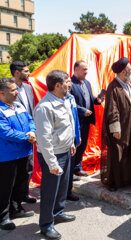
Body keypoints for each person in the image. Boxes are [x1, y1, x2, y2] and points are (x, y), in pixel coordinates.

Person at [34, 70, 76, 239]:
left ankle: (58, 212)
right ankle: (46, 224)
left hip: (65, 151)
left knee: (62, 188)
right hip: (53, 156)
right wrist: (52, 163)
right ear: (57, 85)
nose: (70, 84)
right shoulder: (44, 107)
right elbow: (43, 140)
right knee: (50, 191)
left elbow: (67, 125)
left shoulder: (63, 100)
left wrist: (71, 143)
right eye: (67, 82)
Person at [0, 78, 36, 231]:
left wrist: (32, 131)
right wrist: (27, 136)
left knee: (21, 182)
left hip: (25, 152)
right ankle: (3, 217)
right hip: (8, 156)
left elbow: (30, 119)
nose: (17, 92)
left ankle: (16, 208)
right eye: (13, 90)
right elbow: (5, 132)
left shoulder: (19, 105)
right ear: (2, 93)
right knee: (5, 187)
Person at [101, 57, 131, 191]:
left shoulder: (127, 84)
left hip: (129, 126)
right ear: (123, 72)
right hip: (120, 128)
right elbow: (112, 110)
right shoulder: (114, 87)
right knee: (118, 155)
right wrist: (115, 129)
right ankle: (114, 182)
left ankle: (128, 179)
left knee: (129, 152)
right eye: (130, 69)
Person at [10, 61, 37, 205]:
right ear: (17, 72)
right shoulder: (7, 89)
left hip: (30, 133)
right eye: (26, 71)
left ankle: (24, 193)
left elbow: (30, 111)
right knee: (16, 171)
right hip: (16, 134)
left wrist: (32, 130)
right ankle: (13, 201)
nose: (29, 73)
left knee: (28, 167)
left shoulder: (27, 87)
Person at [70, 60, 102, 178]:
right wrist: (82, 111)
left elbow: (89, 97)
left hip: (86, 120)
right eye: (84, 69)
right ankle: (71, 171)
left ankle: (77, 168)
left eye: (87, 69)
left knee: (83, 145)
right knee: (75, 145)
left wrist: (96, 100)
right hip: (75, 120)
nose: (86, 72)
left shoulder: (87, 83)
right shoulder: (70, 84)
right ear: (76, 69)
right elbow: (69, 102)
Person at [66, 80, 81, 202]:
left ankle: (68, 191)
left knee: (70, 168)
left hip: (73, 138)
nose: (70, 84)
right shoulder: (49, 103)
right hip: (62, 142)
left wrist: (78, 135)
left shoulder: (71, 98)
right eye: (67, 82)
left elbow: (74, 119)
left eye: (70, 82)